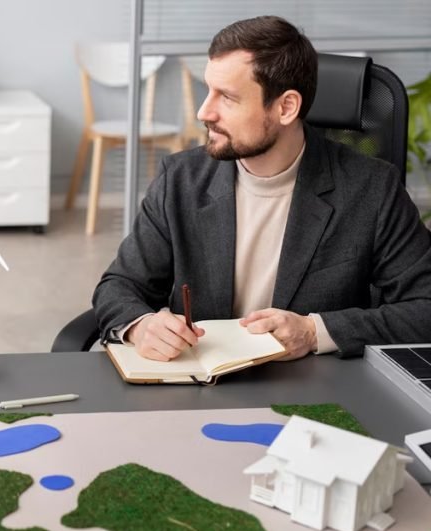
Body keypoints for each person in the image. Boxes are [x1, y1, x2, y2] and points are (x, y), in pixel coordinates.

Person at [92, 16, 431, 362]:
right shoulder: (180, 179)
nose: (203, 111)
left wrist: (315, 332)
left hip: (318, 393)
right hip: (199, 388)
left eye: (226, 97)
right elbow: (119, 286)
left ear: (286, 107)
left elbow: (425, 308)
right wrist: (141, 325)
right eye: (208, 90)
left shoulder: (372, 188)